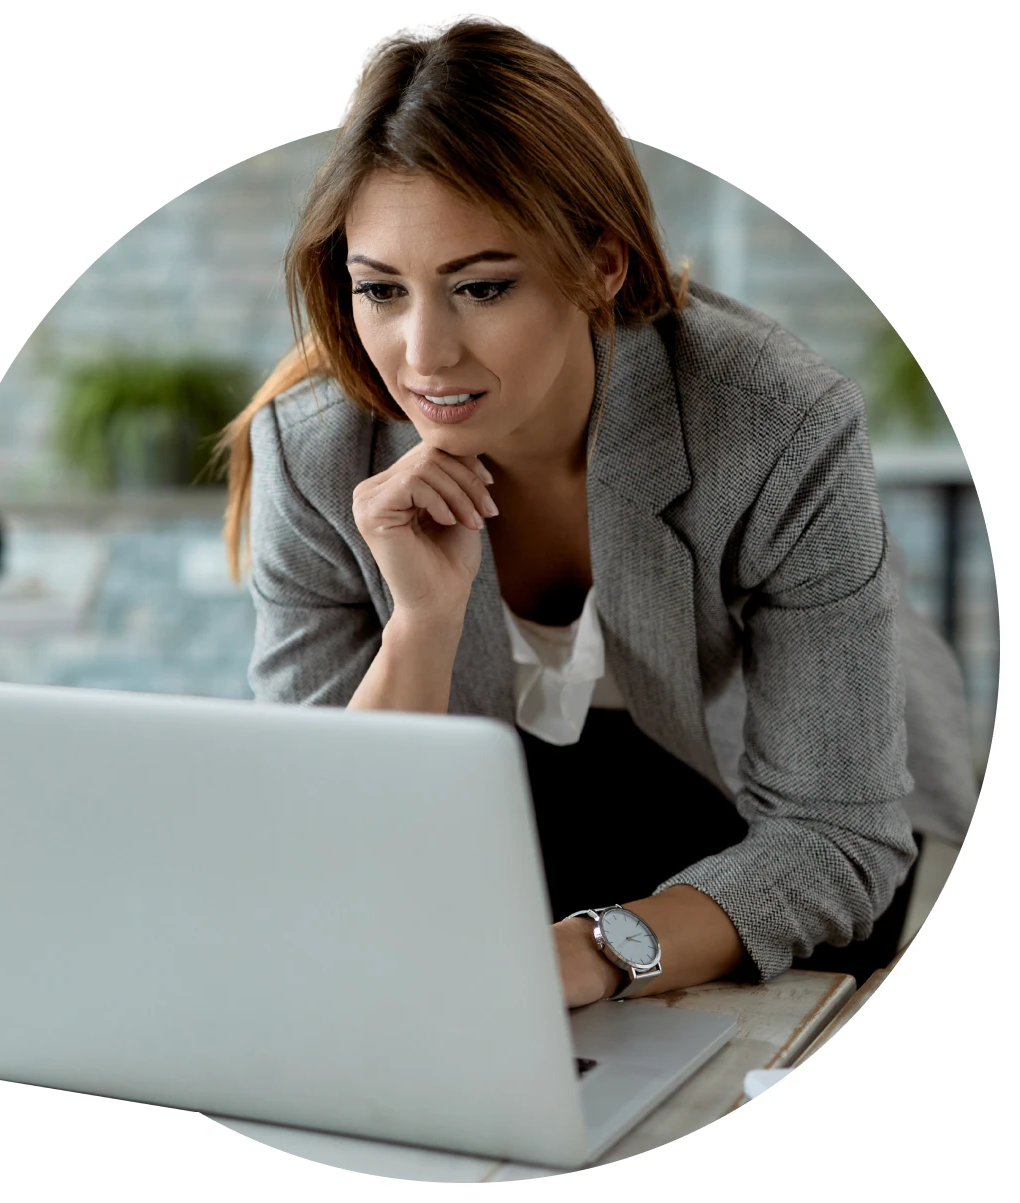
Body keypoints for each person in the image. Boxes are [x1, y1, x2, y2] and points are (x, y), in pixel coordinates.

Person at [207, 14, 978, 1001]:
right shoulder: (316, 452)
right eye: (381, 291)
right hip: (517, 821)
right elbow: (321, 853)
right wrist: (423, 626)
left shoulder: (773, 418)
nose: (424, 353)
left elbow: (832, 833)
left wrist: (586, 954)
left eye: (481, 287)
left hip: (761, 800)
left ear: (600, 267)